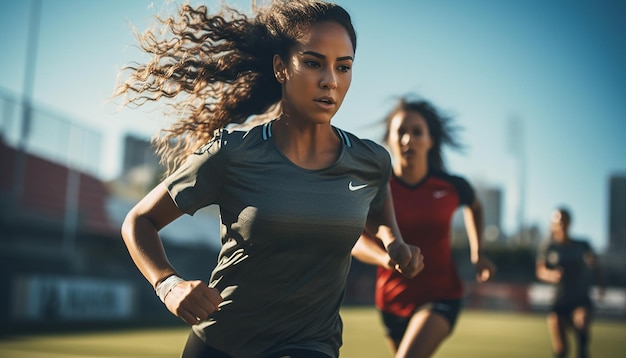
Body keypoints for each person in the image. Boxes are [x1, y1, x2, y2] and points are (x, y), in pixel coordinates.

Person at [115, 1, 424, 357]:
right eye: (313, 63)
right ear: (281, 68)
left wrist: (395, 244)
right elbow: (139, 221)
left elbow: (379, 209)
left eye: (344, 67)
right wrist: (168, 285)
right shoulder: (232, 154)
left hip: (311, 346)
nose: (330, 80)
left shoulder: (370, 161)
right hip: (221, 344)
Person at [351, 96, 496, 358]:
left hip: (441, 295)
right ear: (390, 140)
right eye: (401, 132)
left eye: (417, 132)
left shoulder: (452, 186)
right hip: (392, 302)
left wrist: (478, 253)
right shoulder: (375, 190)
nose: (408, 139)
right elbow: (355, 240)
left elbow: (475, 207)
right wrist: (386, 259)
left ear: (430, 140)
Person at [536, 207, 605, 358]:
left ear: (569, 223)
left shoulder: (582, 245)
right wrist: (551, 275)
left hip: (579, 297)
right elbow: (540, 271)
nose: (562, 224)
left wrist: (601, 285)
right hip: (559, 300)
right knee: (561, 349)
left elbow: (595, 266)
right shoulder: (549, 247)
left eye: (564, 221)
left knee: (582, 333)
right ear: (553, 224)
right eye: (558, 221)